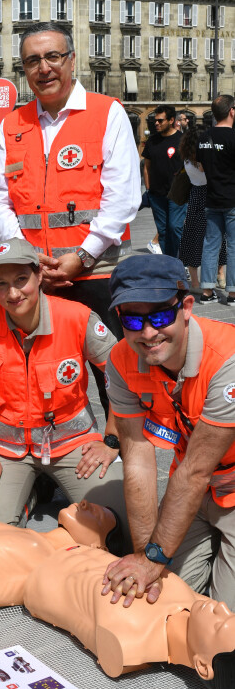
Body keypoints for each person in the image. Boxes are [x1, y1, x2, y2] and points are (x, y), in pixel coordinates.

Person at [0, 504, 235, 689]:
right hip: (75, 552)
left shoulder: (128, 642)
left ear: (203, 667)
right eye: (231, 614)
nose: (221, 609)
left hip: (37, 570)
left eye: (221, 625)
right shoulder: (199, 605)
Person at [0, 21, 140, 415]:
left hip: (97, 272)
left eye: (53, 56)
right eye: (32, 60)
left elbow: (124, 198)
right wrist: (26, 257)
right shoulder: (12, 124)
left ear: (72, 60)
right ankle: (50, 458)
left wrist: (82, 256)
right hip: (33, 276)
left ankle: (118, 448)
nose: (44, 68)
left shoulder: (108, 113)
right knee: (40, 368)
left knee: (112, 369)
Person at [0, 238, 129, 549]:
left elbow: (123, 378)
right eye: (1, 284)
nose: (13, 293)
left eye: (21, 279)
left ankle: (47, 483)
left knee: (123, 527)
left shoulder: (77, 317)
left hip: (74, 447)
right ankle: (31, 490)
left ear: (39, 276)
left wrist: (111, 440)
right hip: (7, 450)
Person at [103, 254, 235, 612]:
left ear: (187, 306)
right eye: (132, 319)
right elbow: (139, 461)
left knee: (223, 625)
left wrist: (154, 558)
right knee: (159, 603)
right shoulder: (120, 361)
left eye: (160, 316)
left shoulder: (227, 359)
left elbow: (195, 471)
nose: (147, 333)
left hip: (215, 483)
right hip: (195, 491)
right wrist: (146, 556)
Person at [178, 125, 226, 291]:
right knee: (219, 236)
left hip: (196, 198)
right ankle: (220, 274)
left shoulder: (187, 159)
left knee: (193, 238)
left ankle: (195, 281)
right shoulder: (204, 159)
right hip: (212, 195)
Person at [197, 95, 235, 306]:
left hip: (211, 199)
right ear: (231, 111)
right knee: (234, 247)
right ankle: (232, 294)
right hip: (232, 199)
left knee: (210, 246)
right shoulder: (233, 137)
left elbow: (202, 167)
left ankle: (206, 292)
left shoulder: (204, 137)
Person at [142, 104, 187, 257]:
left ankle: (180, 262)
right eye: (156, 120)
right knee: (162, 231)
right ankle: (169, 264)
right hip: (156, 194)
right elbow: (146, 168)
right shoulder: (152, 141)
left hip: (177, 194)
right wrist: (149, 190)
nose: (157, 123)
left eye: (161, 121)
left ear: (171, 120)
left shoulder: (182, 140)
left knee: (174, 227)